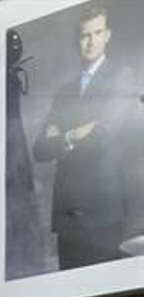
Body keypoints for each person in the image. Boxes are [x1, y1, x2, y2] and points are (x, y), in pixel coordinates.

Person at [31, 5, 140, 270]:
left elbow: (102, 137)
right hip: (68, 216)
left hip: (103, 212)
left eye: (97, 33)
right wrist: (78, 132)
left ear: (108, 35)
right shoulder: (64, 91)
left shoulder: (123, 78)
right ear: (77, 40)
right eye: (84, 35)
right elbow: (40, 149)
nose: (90, 41)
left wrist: (63, 137)